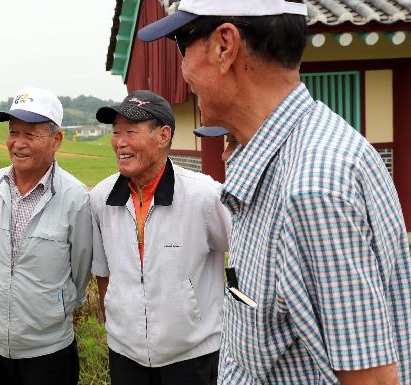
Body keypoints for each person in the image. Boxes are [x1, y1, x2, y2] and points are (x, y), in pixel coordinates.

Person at [139, 1, 411, 384]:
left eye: (183, 43)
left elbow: (373, 380)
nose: (182, 70)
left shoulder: (312, 190)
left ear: (224, 46)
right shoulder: (297, 155)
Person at [90, 90, 230, 385]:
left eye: (131, 131)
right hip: (125, 355)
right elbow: (103, 272)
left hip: (193, 356)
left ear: (163, 135)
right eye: (116, 133)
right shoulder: (100, 197)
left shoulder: (203, 195)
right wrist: (117, 325)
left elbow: (246, 252)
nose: (120, 142)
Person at [0, 87, 93, 385]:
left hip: (47, 351)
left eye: (31, 134)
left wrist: (53, 308)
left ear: (56, 140)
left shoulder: (75, 197)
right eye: (13, 132)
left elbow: (80, 271)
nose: (18, 144)